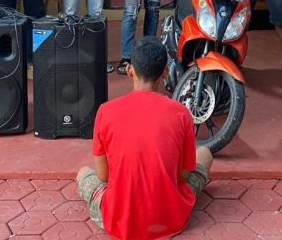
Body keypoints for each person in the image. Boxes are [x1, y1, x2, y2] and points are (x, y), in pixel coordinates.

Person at [76, 36, 213, 240]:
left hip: (118, 220)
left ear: (130, 70)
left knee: (83, 173)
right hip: (171, 219)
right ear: (165, 72)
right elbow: (183, 176)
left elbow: (104, 177)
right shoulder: (181, 113)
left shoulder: (105, 111)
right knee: (205, 153)